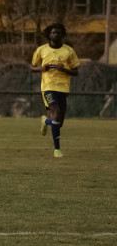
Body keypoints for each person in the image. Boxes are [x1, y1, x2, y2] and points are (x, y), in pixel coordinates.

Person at [30, 23, 80, 158]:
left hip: (63, 88)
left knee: (58, 123)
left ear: (62, 34)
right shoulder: (41, 50)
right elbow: (32, 67)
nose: (56, 35)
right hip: (48, 87)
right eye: (53, 33)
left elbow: (76, 72)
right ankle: (57, 150)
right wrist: (42, 68)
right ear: (49, 34)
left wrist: (64, 70)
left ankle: (46, 121)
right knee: (56, 113)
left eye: (58, 33)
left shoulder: (69, 51)